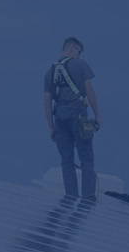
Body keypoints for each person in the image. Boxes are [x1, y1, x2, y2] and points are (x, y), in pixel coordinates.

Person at [43, 37, 100, 200]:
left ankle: (71, 199)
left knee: (66, 161)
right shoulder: (81, 65)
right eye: (79, 52)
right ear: (73, 49)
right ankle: (88, 200)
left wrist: (51, 127)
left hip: (60, 119)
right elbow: (89, 91)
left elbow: (47, 100)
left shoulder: (50, 71)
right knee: (86, 159)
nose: (79, 56)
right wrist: (97, 115)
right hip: (79, 117)